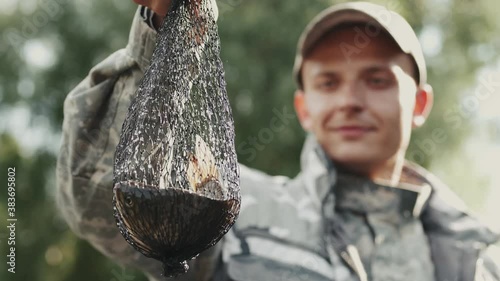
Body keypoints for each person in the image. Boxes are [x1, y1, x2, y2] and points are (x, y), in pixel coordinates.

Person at [56, 1, 500, 280]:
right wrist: (162, 34)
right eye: (327, 83)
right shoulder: (236, 208)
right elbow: (95, 186)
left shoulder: (480, 257)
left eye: (377, 79)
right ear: (304, 108)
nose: (349, 100)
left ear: (421, 103)